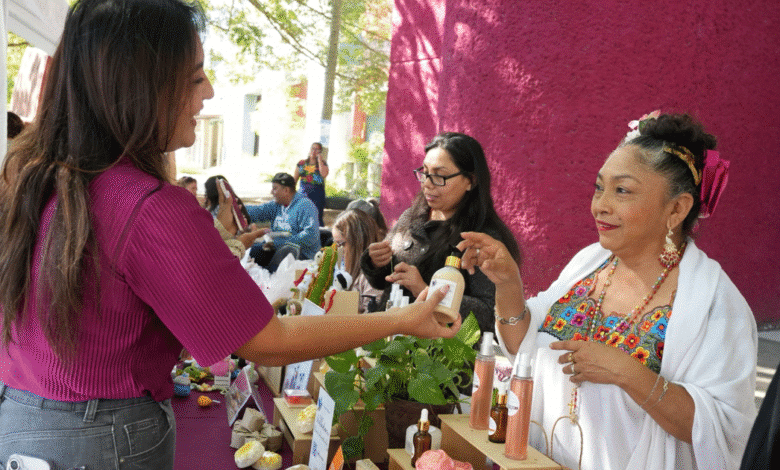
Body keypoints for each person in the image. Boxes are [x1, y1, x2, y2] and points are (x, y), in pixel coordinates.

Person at [0, 1, 459, 469]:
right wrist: (399, 321)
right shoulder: (147, 206)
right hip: (99, 439)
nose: (209, 92)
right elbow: (267, 341)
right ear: (141, 85)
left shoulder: (39, 178)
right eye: (195, 77)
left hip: (22, 420)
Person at [457, 113, 757, 470]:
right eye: (599, 187)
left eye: (622, 190)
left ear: (676, 209)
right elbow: (525, 345)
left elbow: (726, 429)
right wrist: (508, 284)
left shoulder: (715, 305)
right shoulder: (591, 262)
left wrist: (628, 372)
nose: (600, 205)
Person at [360, 132, 521, 334]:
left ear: (470, 180)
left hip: (439, 358)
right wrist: (376, 262)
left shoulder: (482, 239)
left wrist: (426, 290)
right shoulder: (412, 217)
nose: (427, 183)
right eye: (424, 172)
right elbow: (383, 279)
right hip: (391, 342)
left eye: (439, 176)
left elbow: (488, 314)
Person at [245, 172, 321, 270]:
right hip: (280, 251)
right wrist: (236, 207)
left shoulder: (305, 206)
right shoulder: (277, 205)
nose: (271, 192)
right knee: (250, 253)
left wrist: (282, 242)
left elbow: (311, 235)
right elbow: (257, 211)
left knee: (266, 264)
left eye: (275, 188)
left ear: (286, 190)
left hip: (303, 257)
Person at [332, 209, 384, 312]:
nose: (338, 250)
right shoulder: (347, 271)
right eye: (335, 244)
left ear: (358, 243)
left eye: (341, 244)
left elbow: (371, 319)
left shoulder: (371, 278)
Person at [293, 142, 328, 226]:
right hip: (303, 193)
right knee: (301, 216)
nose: (314, 151)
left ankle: (317, 236)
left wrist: (319, 160)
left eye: (317, 149)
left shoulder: (323, 163)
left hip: (317, 194)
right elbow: (295, 179)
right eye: (313, 148)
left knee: (316, 217)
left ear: (320, 152)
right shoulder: (302, 163)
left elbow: (324, 174)